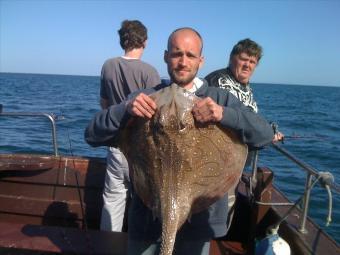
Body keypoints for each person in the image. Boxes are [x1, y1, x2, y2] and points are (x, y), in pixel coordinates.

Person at [85, 27, 274, 255]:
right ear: (166, 56)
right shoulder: (145, 98)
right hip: (147, 220)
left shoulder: (219, 99)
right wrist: (125, 110)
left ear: (201, 61)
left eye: (190, 55)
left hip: (200, 222)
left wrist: (223, 114)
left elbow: (264, 134)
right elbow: (92, 135)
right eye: (176, 54)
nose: (183, 62)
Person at [99, 20, 160, 232]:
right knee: (143, 203)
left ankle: (108, 244)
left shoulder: (108, 65)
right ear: (144, 41)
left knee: (113, 200)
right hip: (141, 150)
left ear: (122, 39)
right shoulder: (150, 72)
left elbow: (105, 105)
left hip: (116, 146)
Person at [205, 38, 283, 142]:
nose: (247, 65)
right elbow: (232, 122)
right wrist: (265, 134)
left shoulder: (245, 86)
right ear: (232, 58)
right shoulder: (217, 81)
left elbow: (247, 117)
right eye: (243, 59)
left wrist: (267, 131)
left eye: (252, 62)